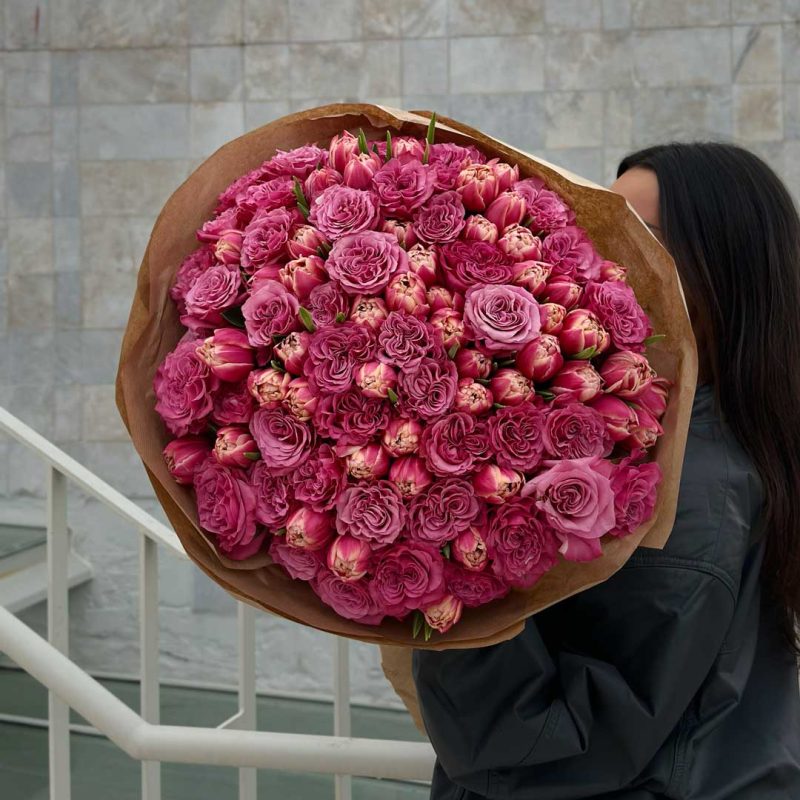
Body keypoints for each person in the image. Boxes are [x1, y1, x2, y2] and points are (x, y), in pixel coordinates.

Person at [411, 142, 800, 799]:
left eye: (642, 234)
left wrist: (437, 561)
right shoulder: (711, 426)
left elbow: (536, 750)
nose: (603, 256)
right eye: (598, 224)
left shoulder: (687, 494)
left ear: (724, 265)